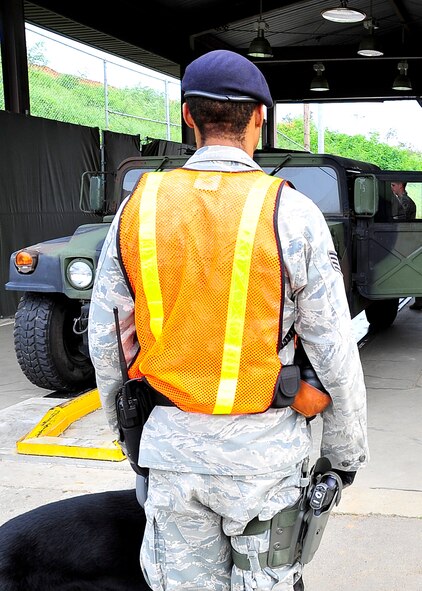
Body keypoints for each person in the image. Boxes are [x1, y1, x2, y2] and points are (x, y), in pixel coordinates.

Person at [88, 49, 369, 591]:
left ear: (189, 116)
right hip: (266, 462)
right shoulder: (292, 212)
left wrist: (133, 442)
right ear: (260, 119)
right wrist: (343, 456)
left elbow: (110, 345)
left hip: (172, 452)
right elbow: (334, 351)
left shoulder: (137, 208)